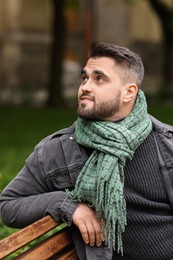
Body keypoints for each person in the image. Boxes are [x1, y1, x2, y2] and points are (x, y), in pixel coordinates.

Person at [0, 42, 173, 260]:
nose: (85, 87)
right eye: (84, 78)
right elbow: (8, 205)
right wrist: (67, 204)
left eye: (99, 78)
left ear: (129, 92)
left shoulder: (166, 144)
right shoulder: (58, 150)